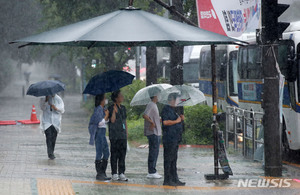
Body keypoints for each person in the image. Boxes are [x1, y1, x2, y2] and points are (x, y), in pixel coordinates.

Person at [161, 93, 185, 186]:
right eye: (176, 100)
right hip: (169, 138)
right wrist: (177, 121)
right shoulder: (166, 109)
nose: (177, 102)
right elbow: (165, 122)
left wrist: (181, 119)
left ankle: (175, 178)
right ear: (171, 100)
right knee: (168, 159)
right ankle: (167, 179)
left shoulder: (174, 110)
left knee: (174, 159)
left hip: (175, 138)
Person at [88, 94, 111, 180]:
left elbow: (105, 121)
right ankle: (99, 173)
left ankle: (103, 172)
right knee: (99, 152)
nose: (106, 100)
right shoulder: (98, 109)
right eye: (105, 99)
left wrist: (106, 115)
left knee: (106, 152)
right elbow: (100, 122)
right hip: (99, 133)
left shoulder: (102, 109)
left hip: (103, 133)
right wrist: (106, 115)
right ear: (101, 100)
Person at [108, 90, 128, 181]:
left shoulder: (123, 108)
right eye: (120, 95)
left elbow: (125, 121)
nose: (122, 97)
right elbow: (112, 121)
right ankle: (114, 173)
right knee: (114, 154)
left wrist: (126, 133)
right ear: (116, 98)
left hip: (122, 135)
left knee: (122, 154)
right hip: (114, 135)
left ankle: (121, 172)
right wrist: (114, 112)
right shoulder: (111, 108)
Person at [143, 90, 162, 179]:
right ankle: (151, 171)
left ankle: (153, 170)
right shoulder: (151, 104)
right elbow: (145, 115)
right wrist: (152, 123)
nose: (159, 96)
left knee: (155, 151)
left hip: (157, 131)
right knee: (153, 152)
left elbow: (152, 116)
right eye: (158, 95)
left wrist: (158, 120)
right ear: (154, 96)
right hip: (153, 132)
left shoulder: (154, 105)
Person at [40, 94, 65, 160]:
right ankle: (50, 153)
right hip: (47, 121)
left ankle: (52, 151)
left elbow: (62, 110)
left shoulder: (58, 99)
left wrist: (56, 108)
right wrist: (46, 100)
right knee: (48, 136)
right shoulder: (43, 98)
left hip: (56, 122)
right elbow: (42, 108)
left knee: (53, 138)